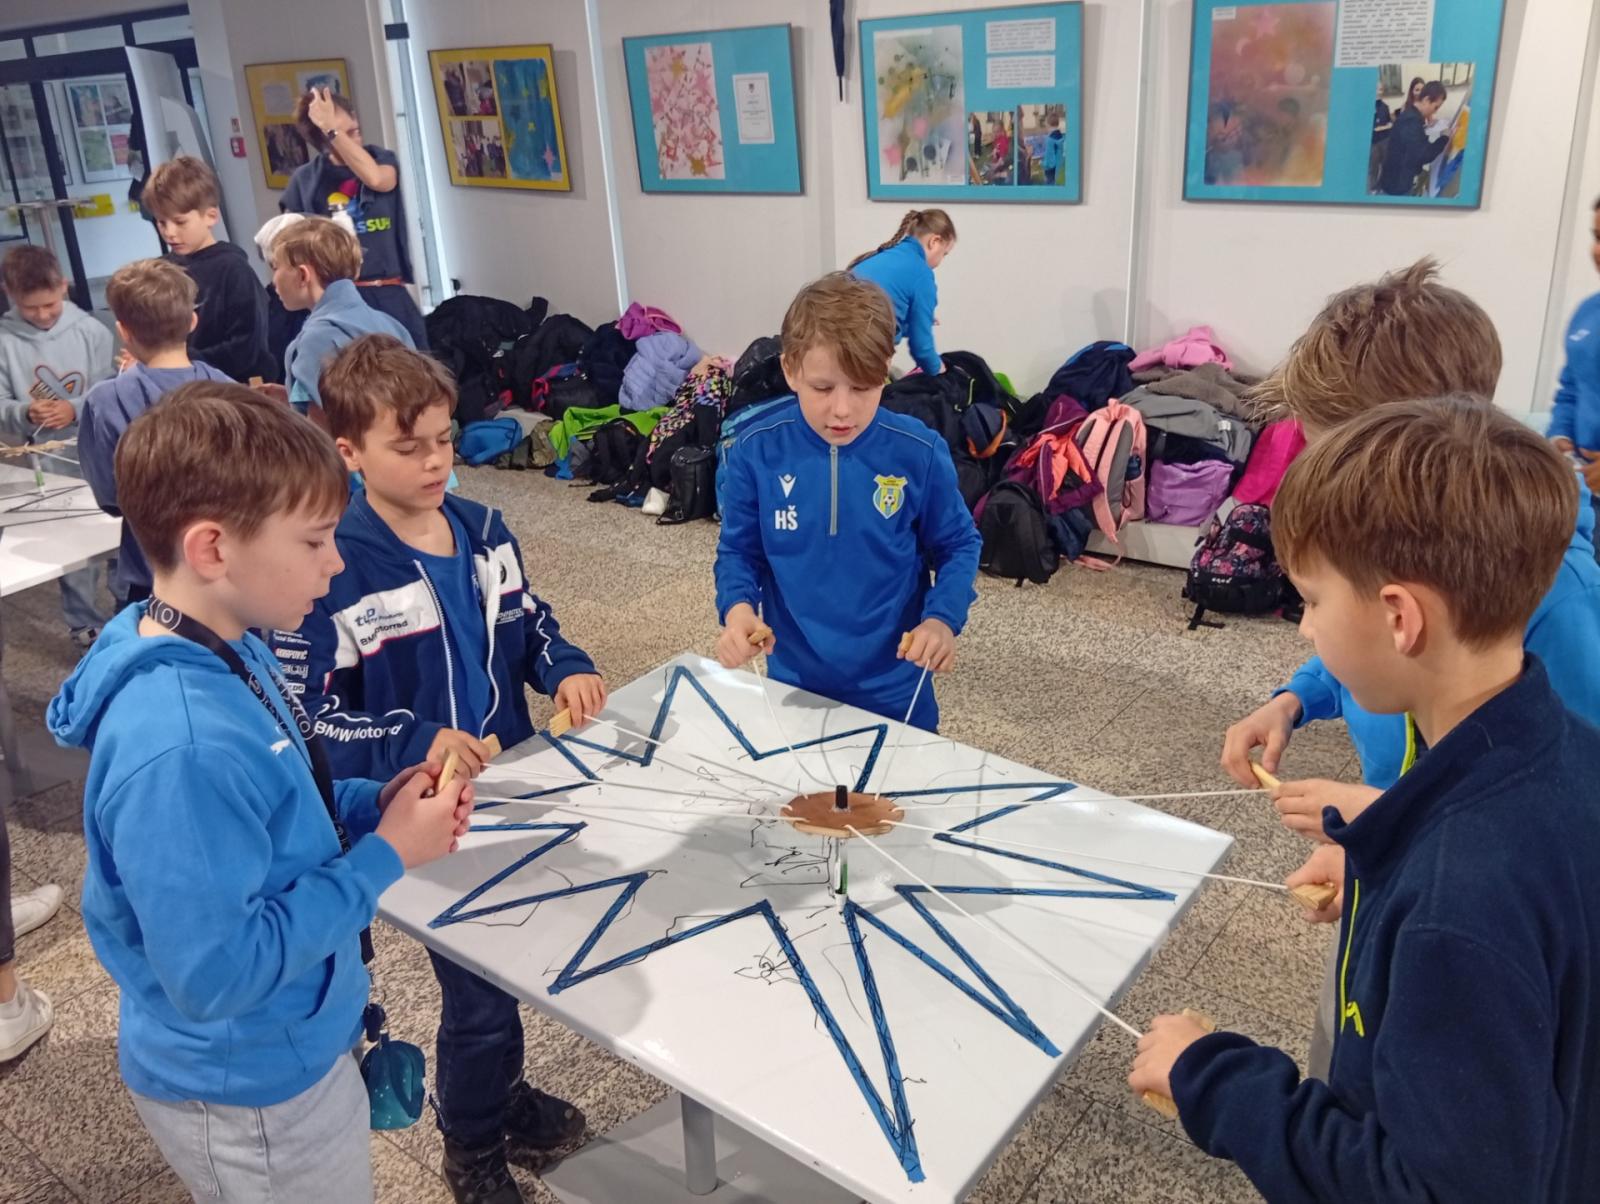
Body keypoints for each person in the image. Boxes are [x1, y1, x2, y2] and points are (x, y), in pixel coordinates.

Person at [1130, 396, 1600, 1203]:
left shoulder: (1460, 901)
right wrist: (1388, 863)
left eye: (1312, 600)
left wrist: (1212, 1079)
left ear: (1399, 618)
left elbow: (1426, 1189)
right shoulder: (1566, 754)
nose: (1306, 630)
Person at [47, 381, 473, 1201]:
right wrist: (385, 856)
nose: (336, 561)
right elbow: (216, 974)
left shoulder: (225, 639)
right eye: (314, 541)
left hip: (291, 1036)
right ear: (213, 549)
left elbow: (282, 805)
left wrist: (372, 805)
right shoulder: (181, 746)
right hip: (251, 1090)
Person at [1220, 260, 1600, 1083]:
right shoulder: (1410, 584)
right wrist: (1296, 698)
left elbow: (1559, 811)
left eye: (1338, 451)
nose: (1322, 474)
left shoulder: (1557, 596)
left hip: (1459, 887)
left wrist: (1393, 819)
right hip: (1399, 856)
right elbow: (1376, 645)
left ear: (1418, 445)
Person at [267, 335, 599, 1204]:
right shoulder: (333, 564)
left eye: (444, 440)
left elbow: (529, 619)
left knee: (511, 964)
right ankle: (472, 1147)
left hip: (511, 792)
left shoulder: (486, 530)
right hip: (419, 816)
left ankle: (500, 1095)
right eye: (407, 447)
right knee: (480, 995)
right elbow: (309, 720)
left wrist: (563, 664)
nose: (434, 461)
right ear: (349, 452)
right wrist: (415, 739)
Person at [714, 272, 982, 731]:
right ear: (791, 370)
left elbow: (959, 544)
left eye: (862, 388)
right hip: (793, 685)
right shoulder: (754, 450)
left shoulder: (918, 451)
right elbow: (740, 550)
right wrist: (737, 609)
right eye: (823, 388)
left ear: (885, 370)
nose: (842, 409)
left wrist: (941, 620)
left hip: (897, 689)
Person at [78, 259, 233, 606]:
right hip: (230, 567)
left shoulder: (105, 401)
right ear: (192, 321)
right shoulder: (232, 391)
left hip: (154, 578)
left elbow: (111, 497)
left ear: (123, 331)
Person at [0, 244, 112, 645]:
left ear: (63, 286)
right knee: (72, 544)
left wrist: (74, 408)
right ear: (10, 294)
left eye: (50, 304)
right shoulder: (4, 341)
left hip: (100, 451)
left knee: (116, 531)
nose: (44, 315)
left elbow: (109, 388)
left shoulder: (93, 331)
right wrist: (24, 413)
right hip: (48, 463)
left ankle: (127, 607)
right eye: (31, 308)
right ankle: (85, 624)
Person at [283, 88, 428, 350]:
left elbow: (376, 179)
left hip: (388, 293)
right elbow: (287, 245)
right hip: (338, 299)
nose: (352, 140)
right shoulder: (306, 180)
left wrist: (332, 129)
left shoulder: (381, 159)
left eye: (354, 131)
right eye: (340, 134)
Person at [141, 155, 274, 383]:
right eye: (161, 222)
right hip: (178, 384)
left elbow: (247, 347)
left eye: (180, 222)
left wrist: (183, 361)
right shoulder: (161, 270)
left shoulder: (234, 270)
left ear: (210, 216)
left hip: (227, 387)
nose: (169, 233)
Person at [273, 217, 413, 414]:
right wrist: (290, 394)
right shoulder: (391, 324)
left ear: (303, 275)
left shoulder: (313, 341)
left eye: (276, 267)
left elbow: (319, 423)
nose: (274, 280)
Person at [1547, 195, 1600, 551]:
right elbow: (1572, 389)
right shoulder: (1588, 313)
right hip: (1585, 490)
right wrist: (1559, 436)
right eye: (1597, 237)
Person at [847, 209, 956, 377]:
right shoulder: (922, 274)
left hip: (836, 343)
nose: (941, 261)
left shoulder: (880, 256)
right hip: (864, 355)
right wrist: (940, 371)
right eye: (944, 254)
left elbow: (877, 314)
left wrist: (911, 323)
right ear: (934, 241)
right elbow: (922, 347)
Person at [1376, 80, 1450, 196]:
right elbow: (1424, 155)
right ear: (1426, 100)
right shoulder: (1411, 121)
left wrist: (1425, 128)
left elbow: (1412, 142)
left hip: (1395, 179)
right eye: (1435, 107)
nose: (1435, 112)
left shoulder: (1412, 115)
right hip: (1396, 187)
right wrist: (1445, 137)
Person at [1041, 112, 1065, 185]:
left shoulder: (1050, 140)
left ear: (1048, 124)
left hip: (1051, 172)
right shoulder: (1061, 137)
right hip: (1059, 169)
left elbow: (1049, 161)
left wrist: (1042, 164)